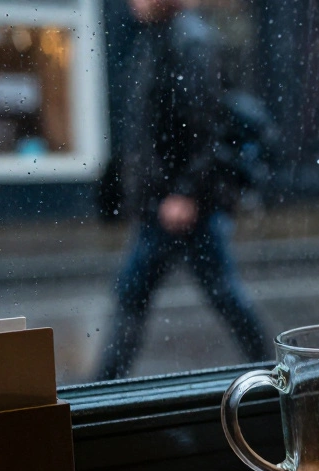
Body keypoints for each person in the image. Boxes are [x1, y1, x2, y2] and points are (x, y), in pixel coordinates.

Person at [95, 0, 266, 380]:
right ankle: (102, 386)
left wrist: (186, 193)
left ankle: (99, 391)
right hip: (164, 202)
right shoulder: (160, 37)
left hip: (179, 205)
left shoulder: (190, 41)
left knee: (143, 294)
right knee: (150, 294)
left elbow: (204, 127)